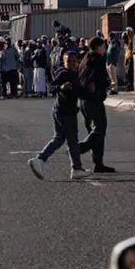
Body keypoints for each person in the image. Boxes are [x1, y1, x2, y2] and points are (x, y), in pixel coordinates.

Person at [27, 50, 87, 180]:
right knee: (72, 141)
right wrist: (61, 87)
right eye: (68, 61)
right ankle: (76, 168)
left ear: (78, 62)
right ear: (64, 62)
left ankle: (39, 160)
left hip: (63, 111)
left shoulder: (75, 74)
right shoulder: (64, 73)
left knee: (59, 138)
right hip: (65, 112)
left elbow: (80, 91)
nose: (72, 63)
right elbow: (52, 86)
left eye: (74, 61)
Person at [78, 36, 116, 173]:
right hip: (93, 100)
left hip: (83, 100)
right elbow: (99, 78)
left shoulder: (85, 59)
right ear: (99, 47)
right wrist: (106, 85)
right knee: (99, 128)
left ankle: (98, 163)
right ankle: (81, 147)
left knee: (94, 132)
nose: (105, 49)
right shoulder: (97, 59)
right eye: (103, 46)